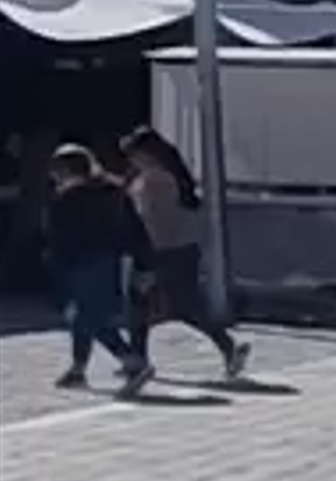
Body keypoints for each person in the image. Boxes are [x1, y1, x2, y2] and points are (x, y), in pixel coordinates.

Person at [121, 119, 250, 383]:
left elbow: (153, 221)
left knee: (172, 306)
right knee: (155, 305)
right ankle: (137, 358)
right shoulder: (173, 176)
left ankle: (227, 347)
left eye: (133, 156)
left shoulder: (154, 180)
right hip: (179, 248)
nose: (132, 162)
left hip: (160, 249)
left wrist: (147, 258)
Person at [48, 142, 154, 390]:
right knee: (83, 314)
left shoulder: (66, 199)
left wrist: (56, 274)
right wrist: (145, 261)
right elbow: (134, 227)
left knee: (88, 316)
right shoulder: (114, 191)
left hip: (81, 261)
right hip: (111, 259)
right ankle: (78, 368)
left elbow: (58, 239)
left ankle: (132, 361)